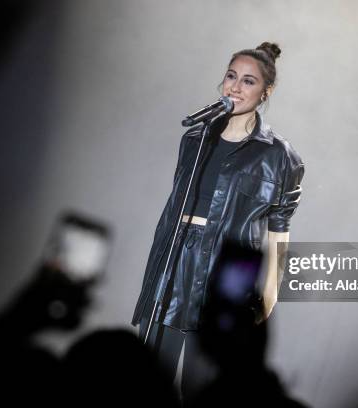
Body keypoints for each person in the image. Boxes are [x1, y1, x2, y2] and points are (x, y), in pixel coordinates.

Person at [131, 41, 305, 404]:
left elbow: (279, 232)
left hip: (222, 281)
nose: (235, 88)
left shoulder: (280, 157)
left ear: (265, 91)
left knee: (203, 389)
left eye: (248, 81)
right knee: (150, 381)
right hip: (174, 265)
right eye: (230, 77)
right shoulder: (195, 139)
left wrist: (269, 295)